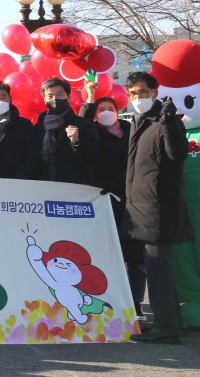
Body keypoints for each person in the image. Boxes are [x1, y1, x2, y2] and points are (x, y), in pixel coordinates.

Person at [123, 71, 194, 344]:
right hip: (140, 205)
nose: (137, 98)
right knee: (158, 266)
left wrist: (167, 121)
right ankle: (174, 321)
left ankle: (166, 325)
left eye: (142, 92)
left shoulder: (165, 119)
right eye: (132, 94)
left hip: (157, 206)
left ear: (155, 91)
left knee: (157, 268)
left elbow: (178, 153)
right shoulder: (137, 122)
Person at [80, 79, 146, 318]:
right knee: (107, 253)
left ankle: (135, 303)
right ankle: (109, 303)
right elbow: (81, 123)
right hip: (106, 199)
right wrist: (89, 97)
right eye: (101, 110)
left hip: (135, 200)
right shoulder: (94, 134)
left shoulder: (132, 130)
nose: (106, 113)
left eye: (111, 109)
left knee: (136, 258)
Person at [36, 77, 100, 185]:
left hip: (74, 188)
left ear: (68, 97)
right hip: (45, 187)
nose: (54, 99)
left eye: (59, 95)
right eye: (50, 96)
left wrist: (77, 143)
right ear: (45, 100)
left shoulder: (83, 125)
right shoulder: (39, 127)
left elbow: (94, 157)